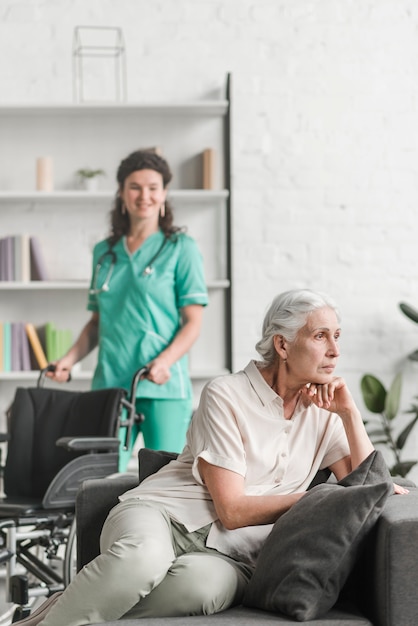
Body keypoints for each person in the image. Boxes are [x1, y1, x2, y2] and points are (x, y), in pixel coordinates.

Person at [20, 288, 408, 626]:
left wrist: (349, 413)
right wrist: (316, 500)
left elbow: (369, 485)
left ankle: (66, 608)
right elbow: (232, 511)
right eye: (321, 336)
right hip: (164, 513)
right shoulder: (225, 393)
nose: (335, 350)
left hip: (233, 557)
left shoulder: (325, 414)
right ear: (283, 344)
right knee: (140, 562)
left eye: (337, 336)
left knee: (203, 591)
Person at [47, 150, 208, 469]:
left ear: (164, 194)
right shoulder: (104, 252)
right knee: (98, 478)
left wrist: (164, 362)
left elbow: (193, 321)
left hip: (162, 385)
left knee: (165, 481)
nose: (144, 195)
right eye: (135, 187)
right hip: (110, 386)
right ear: (121, 193)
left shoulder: (181, 249)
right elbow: (96, 324)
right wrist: (66, 361)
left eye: (153, 187)